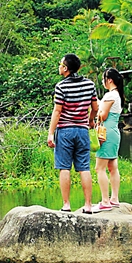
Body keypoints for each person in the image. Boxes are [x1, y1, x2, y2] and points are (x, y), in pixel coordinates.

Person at [47, 53, 98, 214]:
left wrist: (50, 133)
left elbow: (57, 111)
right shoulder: (89, 84)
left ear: (66, 68)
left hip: (65, 131)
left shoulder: (61, 86)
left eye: (60, 64)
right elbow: (95, 108)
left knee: (64, 168)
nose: (59, 66)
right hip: (82, 130)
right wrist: (90, 120)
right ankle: (88, 205)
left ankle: (66, 205)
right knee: (84, 168)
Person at [95, 67, 125, 211]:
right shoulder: (117, 95)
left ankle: (105, 201)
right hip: (114, 132)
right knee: (113, 167)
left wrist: (97, 112)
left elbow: (103, 116)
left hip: (105, 132)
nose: (103, 82)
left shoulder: (110, 95)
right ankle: (114, 198)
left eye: (104, 79)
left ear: (110, 80)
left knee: (99, 168)